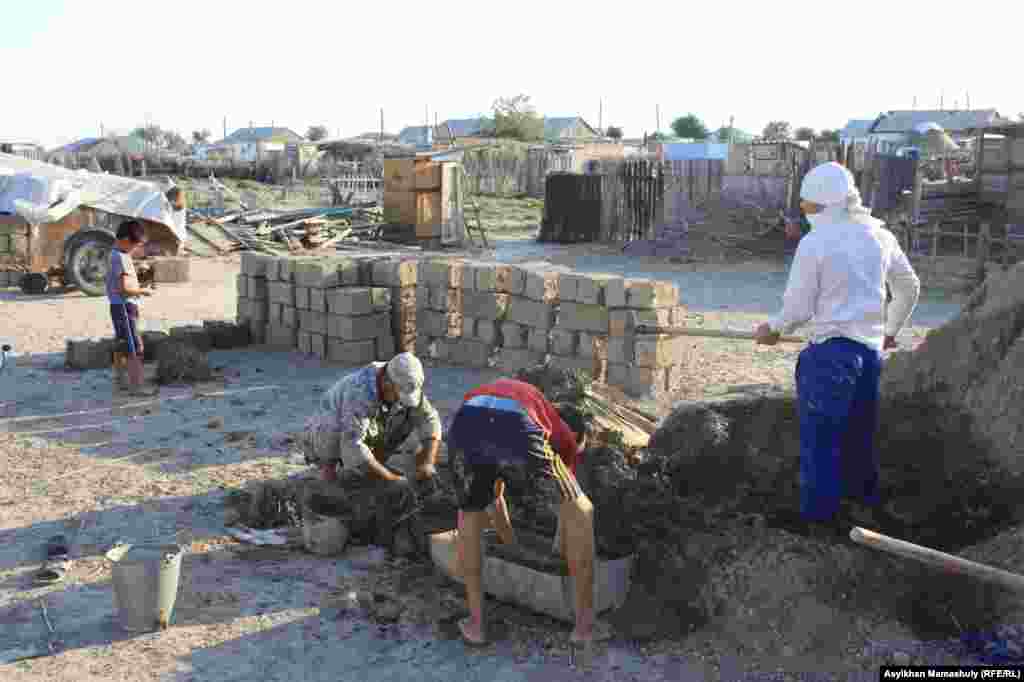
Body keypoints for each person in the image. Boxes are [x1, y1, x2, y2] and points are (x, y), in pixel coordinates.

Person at [754, 162, 920, 526]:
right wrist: (889, 330)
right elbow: (909, 287)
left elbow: (798, 308)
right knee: (859, 438)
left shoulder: (816, 243)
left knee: (821, 445)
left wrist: (774, 328)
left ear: (824, 205)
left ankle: (819, 525)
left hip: (829, 357)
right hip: (869, 356)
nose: (804, 212)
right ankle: (865, 510)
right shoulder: (880, 236)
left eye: (808, 206)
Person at [446, 378, 605, 647]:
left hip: (466, 419)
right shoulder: (564, 436)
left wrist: (511, 545)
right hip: (514, 416)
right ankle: (584, 627)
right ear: (577, 436)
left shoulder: (534, 402)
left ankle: (476, 625)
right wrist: (561, 549)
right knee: (582, 507)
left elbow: (494, 495)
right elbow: (569, 508)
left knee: (470, 513)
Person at [301, 352, 441, 551]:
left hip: (367, 434)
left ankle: (374, 480)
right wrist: (391, 479)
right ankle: (331, 481)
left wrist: (427, 462)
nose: (401, 398)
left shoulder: (405, 377)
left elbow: (430, 420)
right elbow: (355, 447)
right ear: (386, 383)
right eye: (397, 393)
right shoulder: (359, 393)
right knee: (333, 432)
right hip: (328, 437)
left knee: (408, 414)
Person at [107, 220, 156, 397]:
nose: (136, 249)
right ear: (127, 240)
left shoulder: (114, 254)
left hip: (117, 306)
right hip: (125, 306)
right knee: (135, 348)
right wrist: (143, 291)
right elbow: (123, 288)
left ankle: (120, 382)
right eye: (136, 244)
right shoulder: (121, 257)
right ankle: (137, 387)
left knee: (122, 345)